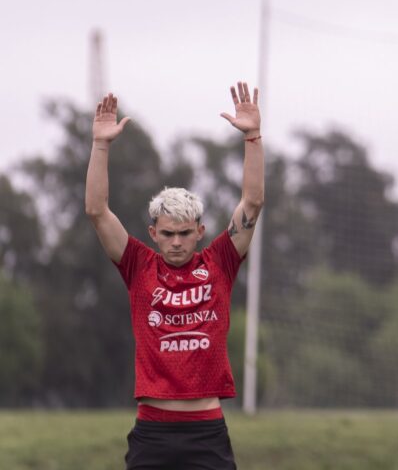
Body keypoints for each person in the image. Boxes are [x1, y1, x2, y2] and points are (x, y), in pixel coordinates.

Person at [85, 83, 264, 470]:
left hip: (207, 431)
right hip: (153, 432)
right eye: (168, 234)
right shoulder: (138, 265)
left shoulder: (220, 262)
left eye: (185, 234)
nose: (177, 243)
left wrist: (252, 136)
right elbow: (97, 211)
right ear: (153, 233)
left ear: (199, 231)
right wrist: (101, 145)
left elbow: (252, 202)